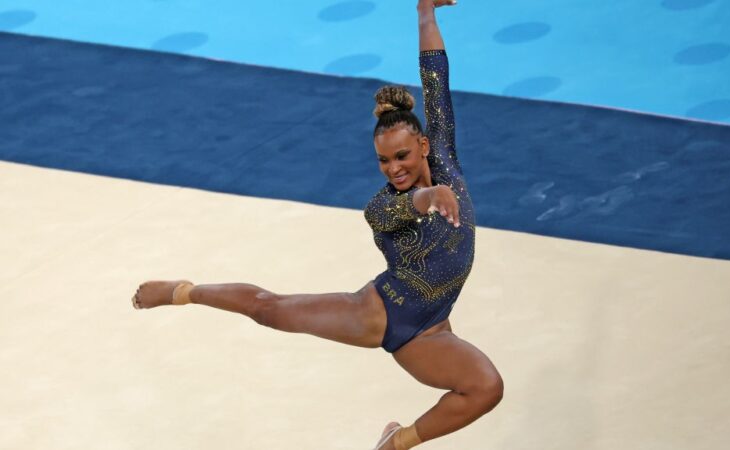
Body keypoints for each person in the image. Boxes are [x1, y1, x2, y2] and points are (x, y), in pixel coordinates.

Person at [131, 1, 502, 448]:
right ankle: (183, 292)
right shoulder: (382, 207)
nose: (393, 168)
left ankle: (397, 442)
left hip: (434, 327)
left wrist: (426, 13)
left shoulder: (444, 156)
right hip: (384, 315)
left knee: (486, 389)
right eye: (383, 161)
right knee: (270, 309)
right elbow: (408, 207)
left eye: (402, 156)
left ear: (424, 145)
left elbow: (436, 82)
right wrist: (427, 196)